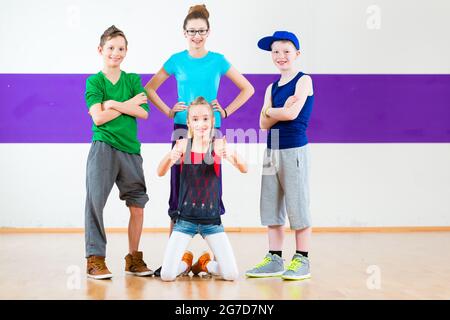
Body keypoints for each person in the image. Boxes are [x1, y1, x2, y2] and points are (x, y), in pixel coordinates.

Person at [145, 4, 254, 276]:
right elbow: (150, 87)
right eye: (192, 31)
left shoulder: (218, 60)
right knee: (177, 193)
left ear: (209, 32)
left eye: (201, 31)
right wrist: (169, 110)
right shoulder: (176, 60)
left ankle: (214, 256)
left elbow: (248, 88)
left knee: (209, 190)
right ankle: (178, 256)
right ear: (184, 32)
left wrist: (226, 110)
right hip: (183, 129)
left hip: (211, 131)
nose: (196, 36)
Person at [84, 25, 152, 279]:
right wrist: (127, 105)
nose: (116, 53)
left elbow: (143, 113)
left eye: (121, 48)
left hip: (131, 151)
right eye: (111, 48)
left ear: (126, 51)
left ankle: (133, 259)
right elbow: (99, 119)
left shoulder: (132, 79)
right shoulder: (95, 81)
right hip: (103, 147)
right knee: (95, 203)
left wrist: (113, 103)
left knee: (138, 205)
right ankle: (95, 259)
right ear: (100, 50)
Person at [245, 31, 314, 280]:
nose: (281, 56)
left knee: (298, 206)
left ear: (297, 53)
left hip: (294, 150)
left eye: (286, 51)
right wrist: (277, 110)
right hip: (271, 151)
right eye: (276, 51)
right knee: (271, 206)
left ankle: (302, 260)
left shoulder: (304, 81)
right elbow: (263, 124)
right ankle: (275, 258)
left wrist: (271, 111)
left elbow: (291, 115)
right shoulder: (271, 87)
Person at [157, 97, 247, 281]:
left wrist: (230, 154)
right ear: (188, 122)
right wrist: (170, 157)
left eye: (206, 119)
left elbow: (244, 168)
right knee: (167, 275)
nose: (201, 124)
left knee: (231, 274)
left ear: (213, 120)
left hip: (211, 220)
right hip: (185, 220)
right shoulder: (182, 145)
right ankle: (186, 263)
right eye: (196, 119)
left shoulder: (219, 145)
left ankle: (205, 264)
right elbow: (160, 172)